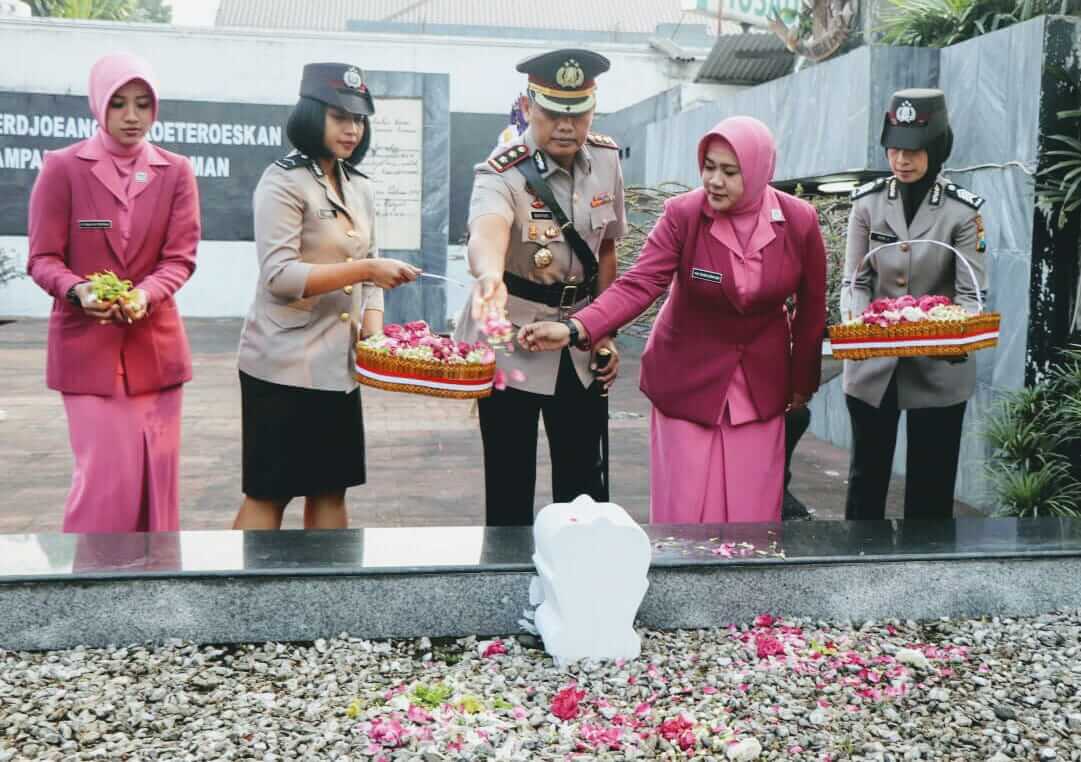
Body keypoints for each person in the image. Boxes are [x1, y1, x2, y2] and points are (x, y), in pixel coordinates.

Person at [520, 116, 827, 523]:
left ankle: (748, 587)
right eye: (709, 167)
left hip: (760, 384)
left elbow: (811, 309)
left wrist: (802, 383)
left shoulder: (798, 221)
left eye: (729, 172)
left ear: (758, 171)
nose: (714, 180)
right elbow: (639, 283)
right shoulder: (684, 215)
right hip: (688, 379)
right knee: (686, 511)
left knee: (752, 508)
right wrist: (577, 327)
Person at [232, 63, 421, 531]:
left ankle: (330, 600)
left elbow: (374, 264)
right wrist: (364, 270)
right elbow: (279, 274)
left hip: (338, 367)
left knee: (331, 490)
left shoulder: (359, 185)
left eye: (359, 119)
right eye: (340, 117)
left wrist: (373, 334)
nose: (352, 129)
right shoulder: (282, 181)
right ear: (311, 115)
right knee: (269, 493)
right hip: (282, 363)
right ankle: (236, 599)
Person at [27, 53, 201, 533]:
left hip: (156, 352)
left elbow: (179, 258)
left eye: (143, 104)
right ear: (98, 105)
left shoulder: (175, 170)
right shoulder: (63, 168)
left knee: (156, 485)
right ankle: (88, 591)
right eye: (119, 103)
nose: (132, 116)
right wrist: (78, 290)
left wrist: (145, 294)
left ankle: (154, 591)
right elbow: (42, 259)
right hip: (88, 352)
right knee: (105, 484)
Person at [456, 48, 626, 526]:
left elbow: (607, 252)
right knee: (510, 485)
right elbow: (488, 229)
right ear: (528, 106)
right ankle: (509, 583)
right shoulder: (500, 171)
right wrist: (488, 273)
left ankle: (577, 587)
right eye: (553, 112)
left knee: (582, 491)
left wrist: (604, 330)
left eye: (578, 113)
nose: (567, 126)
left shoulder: (607, 159)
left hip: (578, 342)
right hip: (513, 342)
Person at [841, 88, 988, 521]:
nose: (901, 160)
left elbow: (970, 294)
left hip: (938, 367)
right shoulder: (866, 203)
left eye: (914, 150)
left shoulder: (964, 214)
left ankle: (927, 578)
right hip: (874, 363)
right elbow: (855, 280)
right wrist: (860, 325)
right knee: (866, 482)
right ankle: (857, 568)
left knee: (930, 489)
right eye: (894, 148)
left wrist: (943, 332)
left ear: (936, 147)